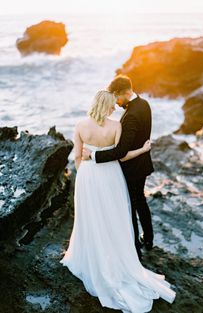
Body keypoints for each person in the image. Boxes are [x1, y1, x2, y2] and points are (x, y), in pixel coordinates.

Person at [60, 89, 176, 313]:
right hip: (111, 176)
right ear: (108, 106)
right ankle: (118, 257)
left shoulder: (80, 125)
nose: (115, 108)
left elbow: (77, 156)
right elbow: (121, 155)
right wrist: (143, 149)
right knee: (114, 217)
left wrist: (83, 175)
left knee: (91, 217)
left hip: (88, 176)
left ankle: (92, 257)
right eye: (112, 105)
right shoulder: (115, 126)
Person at [82, 75, 154, 260]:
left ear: (124, 92)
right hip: (143, 164)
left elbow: (121, 152)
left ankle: (135, 248)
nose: (116, 102)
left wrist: (93, 155)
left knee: (130, 206)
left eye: (116, 97)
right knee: (140, 200)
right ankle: (148, 239)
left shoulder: (130, 117)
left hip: (130, 168)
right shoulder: (144, 104)